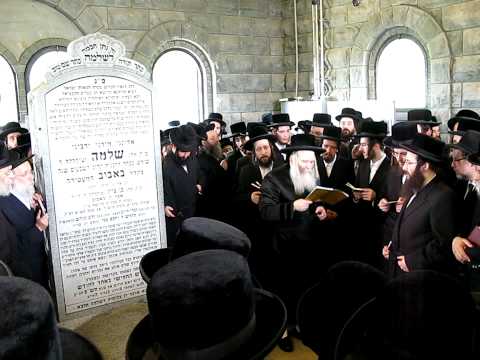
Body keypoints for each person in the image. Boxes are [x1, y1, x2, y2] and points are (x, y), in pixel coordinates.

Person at [259, 134, 337, 352]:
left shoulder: (312, 173)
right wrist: (292, 207)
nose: (310, 166)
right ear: (293, 159)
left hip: (310, 246)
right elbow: (265, 211)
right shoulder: (274, 179)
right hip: (283, 249)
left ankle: (303, 325)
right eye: (305, 162)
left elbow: (315, 200)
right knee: (284, 292)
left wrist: (319, 210)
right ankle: (282, 331)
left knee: (306, 290)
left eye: (312, 162)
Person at [386, 134, 457, 278]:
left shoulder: (443, 196)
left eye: (409, 163)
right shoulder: (416, 187)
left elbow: (444, 244)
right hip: (400, 273)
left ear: (425, 165)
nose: (404, 167)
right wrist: (392, 246)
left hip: (420, 276)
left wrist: (412, 261)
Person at [235, 125, 281, 282]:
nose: (263, 152)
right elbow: (237, 199)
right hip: (256, 231)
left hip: (278, 229)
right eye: (259, 149)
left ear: (271, 149)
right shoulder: (246, 171)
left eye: (266, 148)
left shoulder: (283, 170)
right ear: (254, 153)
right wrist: (250, 198)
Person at [0, 156, 49, 288]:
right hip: (26, 275)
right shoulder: (4, 205)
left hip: (41, 264)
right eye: (24, 174)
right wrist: (39, 227)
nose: (31, 177)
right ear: (12, 179)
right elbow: (12, 250)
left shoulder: (28, 192)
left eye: (31, 171)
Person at [352, 120, 390, 267]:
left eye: (363, 145)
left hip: (379, 231)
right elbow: (356, 188)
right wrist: (356, 197)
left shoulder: (391, 167)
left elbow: (393, 200)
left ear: (375, 145)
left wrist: (376, 198)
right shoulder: (363, 164)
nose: (361, 149)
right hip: (362, 229)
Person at [378, 122, 417, 253]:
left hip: (412, 241)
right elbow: (384, 195)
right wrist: (383, 203)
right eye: (395, 153)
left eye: (404, 154)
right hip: (389, 237)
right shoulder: (392, 172)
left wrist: (408, 206)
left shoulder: (423, 176)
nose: (399, 159)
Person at [162, 124, 201, 247]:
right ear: (173, 147)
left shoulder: (192, 158)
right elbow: (159, 192)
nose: (186, 156)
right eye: (183, 152)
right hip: (175, 222)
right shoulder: (165, 166)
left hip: (193, 218)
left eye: (188, 152)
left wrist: (200, 184)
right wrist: (163, 206)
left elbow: (199, 175)